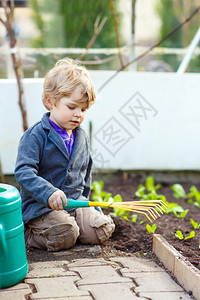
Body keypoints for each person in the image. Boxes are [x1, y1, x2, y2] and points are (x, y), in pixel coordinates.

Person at [15, 58, 115, 252]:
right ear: (50, 101)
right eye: (72, 107)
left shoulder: (81, 137)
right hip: (41, 208)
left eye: (84, 109)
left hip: (74, 203)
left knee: (101, 230)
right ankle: (30, 235)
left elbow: (85, 173)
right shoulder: (36, 136)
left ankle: (70, 226)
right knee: (66, 235)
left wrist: (88, 205)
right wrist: (48, 193)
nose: (78, 114)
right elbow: (23, 172)